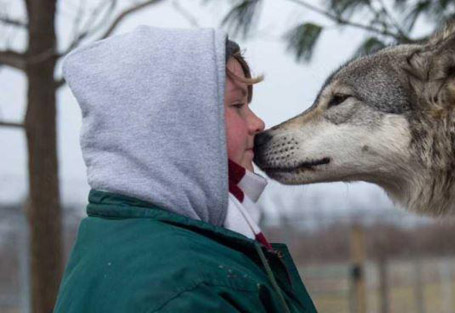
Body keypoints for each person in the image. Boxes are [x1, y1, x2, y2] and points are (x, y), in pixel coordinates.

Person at [53, 26, 317, 313]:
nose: (258, 123)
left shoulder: (114, 241)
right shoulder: (189, 290)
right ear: (175, 127)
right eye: (238, 104)